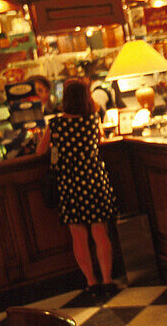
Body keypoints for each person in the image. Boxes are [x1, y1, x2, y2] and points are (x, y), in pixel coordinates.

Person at [36, 80, 119, 296]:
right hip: (94, 179)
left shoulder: (55, 124)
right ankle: (108, 280)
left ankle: (92, 283)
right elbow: (99, 141)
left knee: (79, 236)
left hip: (70, 183)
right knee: (100, 232)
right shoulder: (92, 119)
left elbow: (40, 151)